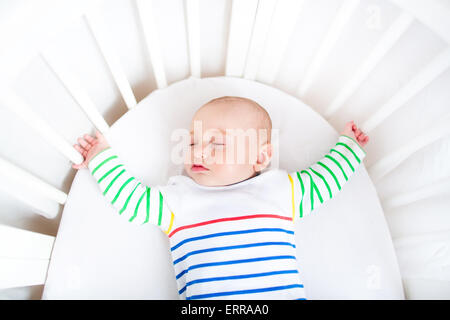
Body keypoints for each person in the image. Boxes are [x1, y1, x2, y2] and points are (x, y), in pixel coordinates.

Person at [72, 96, 369, 300]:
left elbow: (326, 179)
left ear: (260, 156)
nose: (198, 151)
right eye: (192, 141)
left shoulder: (280, 190)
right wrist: (101, 158)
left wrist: (348, 147)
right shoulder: (179, 200)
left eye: (217, 142)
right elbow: (131, 200)